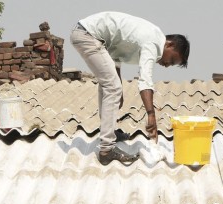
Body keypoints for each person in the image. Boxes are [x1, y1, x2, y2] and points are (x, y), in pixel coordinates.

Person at [70, 12, 190, 165]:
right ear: (169, 45)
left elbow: (115, 55)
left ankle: (110, 132)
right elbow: (145, 80)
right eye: (171, 60)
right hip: (87, 35)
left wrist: (118, 85)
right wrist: (151, 114)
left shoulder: (152, 37)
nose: (167, 65)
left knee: (111, 85)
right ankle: (106, 149)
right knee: (112, 87)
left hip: (86, 34)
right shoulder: (154, 42)